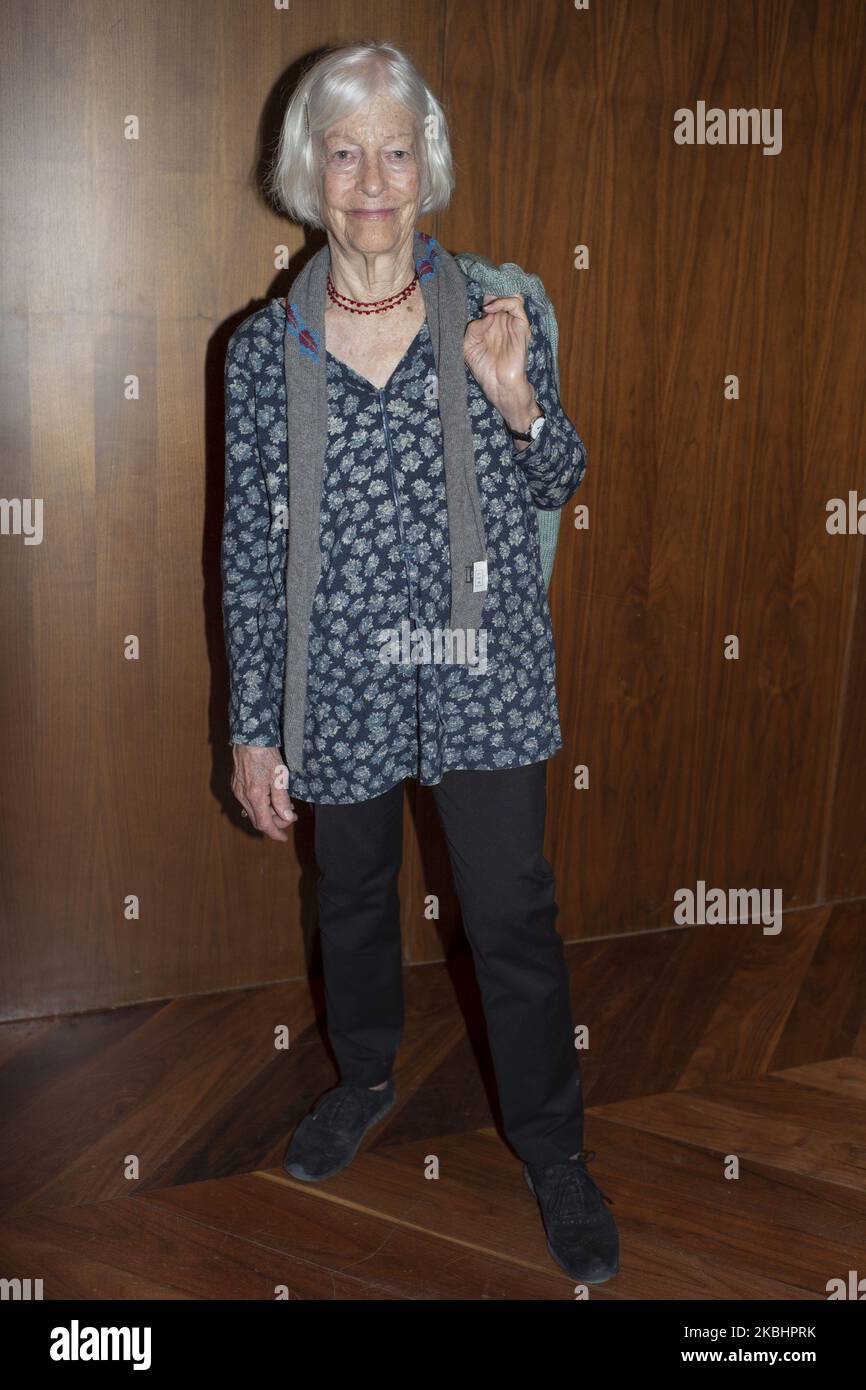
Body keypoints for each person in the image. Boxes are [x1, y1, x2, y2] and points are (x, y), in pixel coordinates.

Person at [221, 39, 619, 1284]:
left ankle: (554, 1153)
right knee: (347, 898)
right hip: (333, 676)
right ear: (309, 174)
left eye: (395, 149)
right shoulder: (261, 350)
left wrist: (515, 401)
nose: (372, 177)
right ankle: (369, 1074)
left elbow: (560, 477)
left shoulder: (503, 309)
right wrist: (251, 724)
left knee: (508, 913)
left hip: (478, 670)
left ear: (427, 166)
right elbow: (244, 549)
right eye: (344, 152)